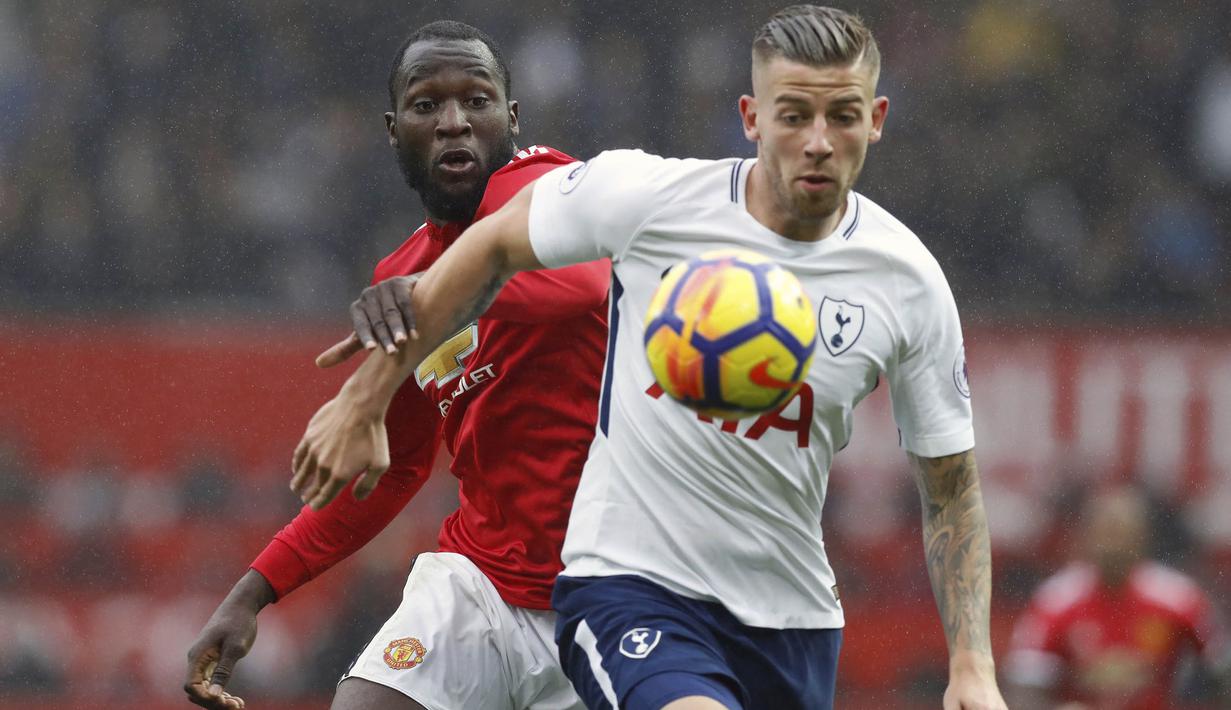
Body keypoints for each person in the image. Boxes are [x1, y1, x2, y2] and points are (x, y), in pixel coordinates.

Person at [294, 6, 1007, 709]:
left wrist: (972, 665)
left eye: (842, 116)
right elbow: (490, 245)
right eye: (793, 115)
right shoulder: (652, 200)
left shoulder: (906, 281)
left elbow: (950, 489)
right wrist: (364, 394)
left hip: (792, 619)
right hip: (631, 590)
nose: (817, 141)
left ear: (876, 118)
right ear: (751, 118)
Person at [184, 21, 608, 710]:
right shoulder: (402, 272)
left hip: (619, 593)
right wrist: (251, 594)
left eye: (476, 101)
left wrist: (428, 297)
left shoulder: (548, 186)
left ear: (511, 118)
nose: (452, 123)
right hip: (484, 586)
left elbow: (581, 285)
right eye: (426, 105)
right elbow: (393, 471)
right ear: (393, 128)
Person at [1005, 486, 1231, 709]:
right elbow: (1024, 681)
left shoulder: (1178, 598)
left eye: (1122, 533)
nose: (1115, 544)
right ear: (1087, 536)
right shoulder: (1055, 600)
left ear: (1142, 537)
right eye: (1107, 532)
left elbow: (1221, 670)